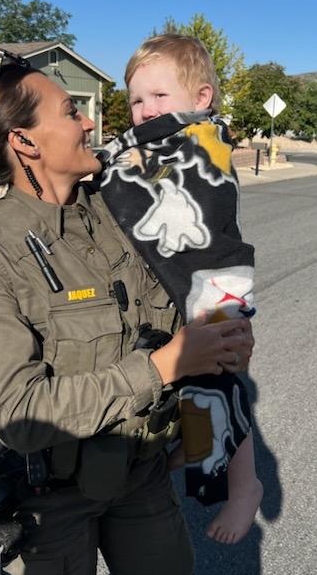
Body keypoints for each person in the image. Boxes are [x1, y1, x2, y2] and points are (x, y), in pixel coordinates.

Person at [0, 51, 254, 575]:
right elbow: (20, 413)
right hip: (53, 499)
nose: (91, 122)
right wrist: (165, 366)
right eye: (71, 112)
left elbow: (197, 281)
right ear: (25, 141)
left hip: (143, 476)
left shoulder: (124, 208)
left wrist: (218, 349)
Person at [97, 34, 263, 545]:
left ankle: (244, 488)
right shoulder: (161, 142)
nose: (146, 110)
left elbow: (138, 184)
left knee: (216, 380)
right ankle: (196, 443)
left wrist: (102, 166)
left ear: (201, 98)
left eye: (159, 97)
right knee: (191, 375)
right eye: (136, 100)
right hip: (195, 283)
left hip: (215, 282)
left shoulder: (201, 141)